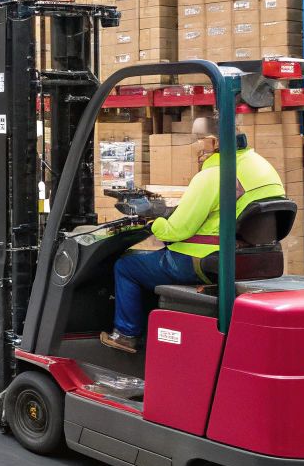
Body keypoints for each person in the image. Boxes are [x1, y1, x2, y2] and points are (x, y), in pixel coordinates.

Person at [100, 114, 285, 353]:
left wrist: (151, 220)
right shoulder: (260, 166)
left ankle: (126, 334)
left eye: (198, 140)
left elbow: (177, 230)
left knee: (127, 266)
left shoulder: (213, 175)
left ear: (213, 142)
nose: (195, 147)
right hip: (253, 258)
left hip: (203, 260)